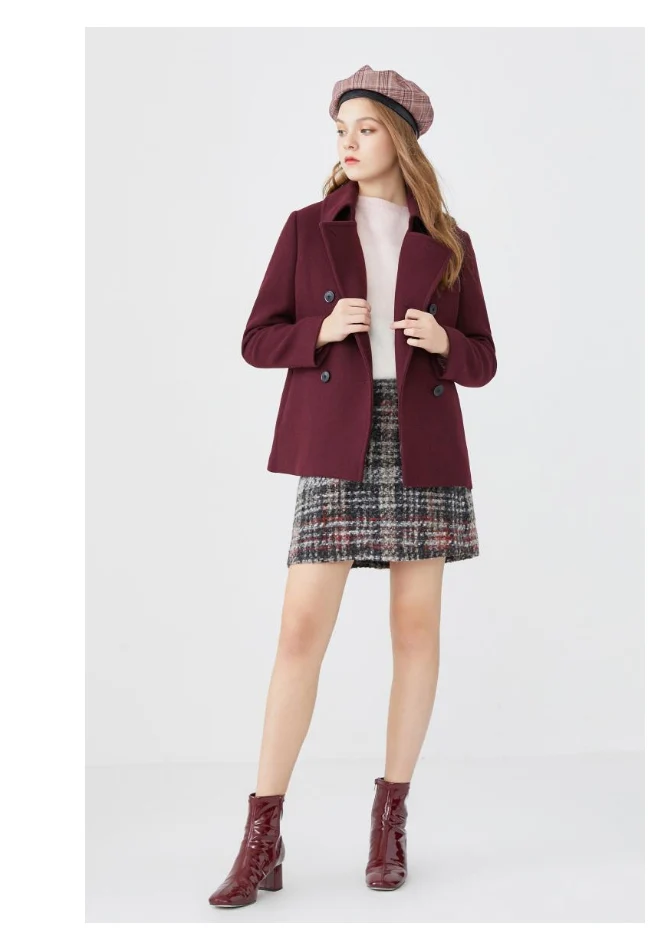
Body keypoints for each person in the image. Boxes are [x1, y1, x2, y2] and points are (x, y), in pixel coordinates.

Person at [208, 64, 497, 909]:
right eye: (342, 129)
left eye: (365, 128)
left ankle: (389, 820)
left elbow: (483, 359)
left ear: (398, 140)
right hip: (337, 439)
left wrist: (444, 341)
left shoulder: (448, 241)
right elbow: (256, 339)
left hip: (421, 441)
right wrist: (319, 329)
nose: (349, 142)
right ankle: (262, 836)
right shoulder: (307, 229)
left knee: (416, 630)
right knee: (301, 630)